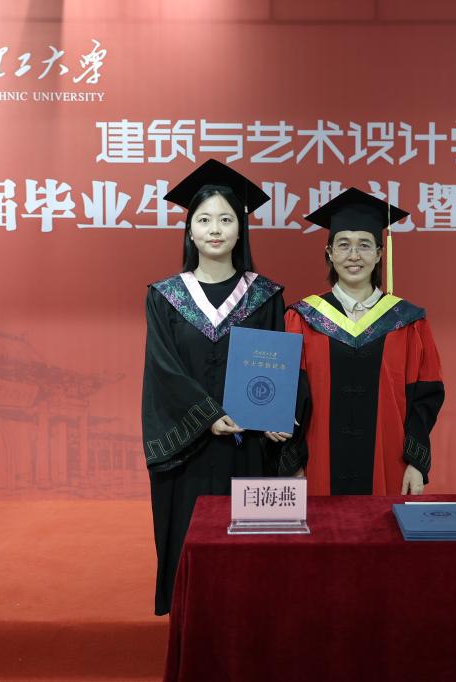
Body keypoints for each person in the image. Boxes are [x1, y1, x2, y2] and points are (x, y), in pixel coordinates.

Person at [142, 159, 286, 615]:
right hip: (191, 447)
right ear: (190, 231)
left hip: (250, 445)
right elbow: (162, 368)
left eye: (226, 219)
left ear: (241, 230)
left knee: (251, 557)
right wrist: (207, 416)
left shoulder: (266, 295)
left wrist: (280, 412)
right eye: (204, 220)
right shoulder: (165, 296)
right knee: (195, 547)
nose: (215, 229)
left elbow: (279, 363)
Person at [280, 188, 445, 496]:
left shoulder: (408, 321)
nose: (353, 255)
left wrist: (416, 462)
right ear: (329, 252)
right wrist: (292, 463)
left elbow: (425, 398)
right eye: (343, 245)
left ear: (379, 254)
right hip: (316, 467)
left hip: (390, 464)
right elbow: (288, 397)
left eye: (364, 245)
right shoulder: (301, 318)